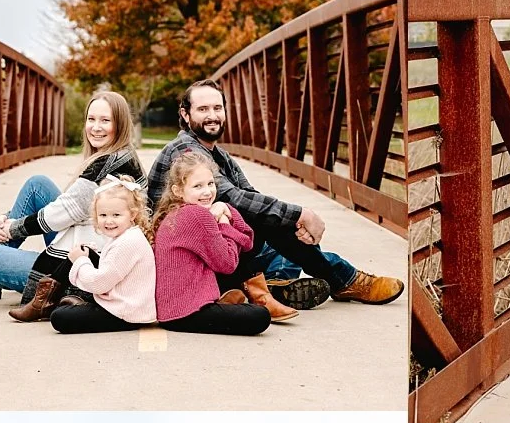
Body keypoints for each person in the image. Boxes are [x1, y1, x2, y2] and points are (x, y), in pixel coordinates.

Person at [143, 81, 405, 317]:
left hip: (215, 247)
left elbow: (251, 194)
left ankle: (276, 285)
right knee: (271, 223)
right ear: (185, 114)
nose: (212, 116)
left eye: (217, 108)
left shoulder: (218, 154)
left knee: (277, 232)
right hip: (188, 260)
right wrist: (301, 214)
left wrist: (289, 220)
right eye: (202, 110)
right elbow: (232, 196)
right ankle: (344, 282)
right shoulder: (187, 152)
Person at [0, 90, 144, 303]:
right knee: (37, 185)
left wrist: (11, 227)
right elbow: (70, 204)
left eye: (105, 121)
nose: (96, 127)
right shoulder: (122, 155)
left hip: (87, 267)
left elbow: (60, 214)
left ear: (120, 125)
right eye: (91, 119)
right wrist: (7, 218)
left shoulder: (106, 165)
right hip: (83, 241)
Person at [144, 148, 272, 335]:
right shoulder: (197, 215)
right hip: (186, 313)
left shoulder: (176, 212)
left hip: (172, 310)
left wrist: (225, 208)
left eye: (211, 184)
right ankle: (249, 294)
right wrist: (224, 220)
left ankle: (233, 296)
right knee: (260, 316)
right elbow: (228, 264)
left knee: (228, 248)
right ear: (178, 190)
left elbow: (247, 240)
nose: (207, 192)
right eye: (198, 186)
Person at [47, 181, 159, 334]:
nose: (109, 221)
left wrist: (81, 261)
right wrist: (87, 256)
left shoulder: (128, 243)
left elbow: (100, 284)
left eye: (116, 215)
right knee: (82, 250)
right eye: (103, 215)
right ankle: (44, 302)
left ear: (132, 215)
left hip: (125, 313)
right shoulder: (125, 235)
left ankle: (48, 303)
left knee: (59, 317)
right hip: (122, 301)